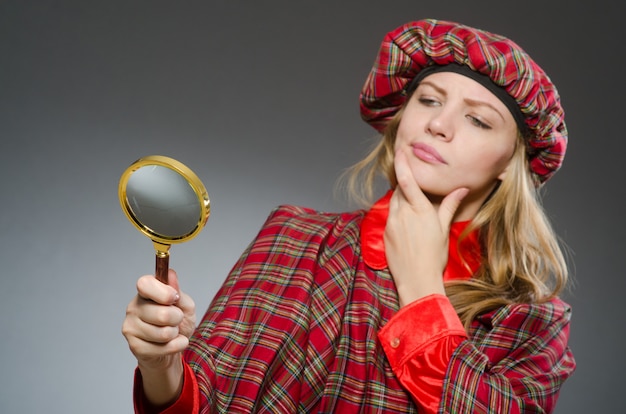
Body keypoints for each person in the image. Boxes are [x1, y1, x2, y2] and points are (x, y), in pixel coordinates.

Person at [122, 18, 576, 413]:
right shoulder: (295, 237)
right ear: (402, 115)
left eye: (479, 120)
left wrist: (422, 290)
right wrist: (161, 366)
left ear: (509, 165)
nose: (439, 124)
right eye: (430, 100)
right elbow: (201, 405)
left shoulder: (533, 320)